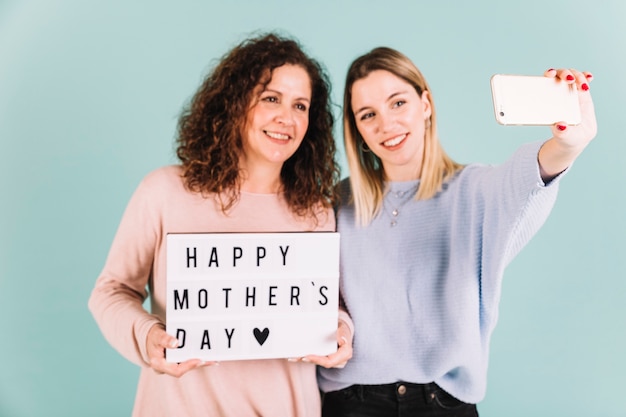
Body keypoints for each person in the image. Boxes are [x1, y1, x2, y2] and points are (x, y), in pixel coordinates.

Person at [317, 46, 596, 416]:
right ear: (358, 131)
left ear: (426, 104)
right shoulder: (336, 203)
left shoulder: (474, 190)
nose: (386, 124)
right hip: (351, 403)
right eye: (368, 115)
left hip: (443, 404)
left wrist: (567, 145)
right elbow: (323, 295)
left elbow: (526, 179)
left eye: (398, 103)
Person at [88, 32, 353, 417]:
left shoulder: (315, 211)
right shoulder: (165, 191)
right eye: (271, 98)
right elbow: (111, 291)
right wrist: (147, 338)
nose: (287, 118)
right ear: (235, 103)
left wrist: (341, 332)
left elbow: (329, 306)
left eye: (300, 105)